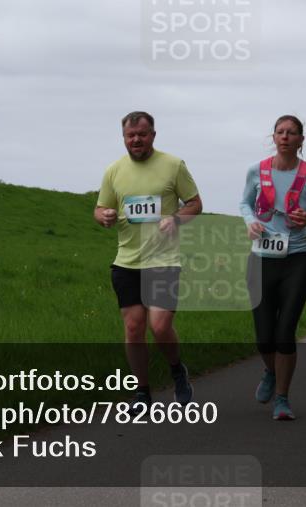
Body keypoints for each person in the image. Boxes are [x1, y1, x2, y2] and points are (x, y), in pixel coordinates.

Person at [95, 111, 202, 415]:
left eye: (142, 134)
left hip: (164, 259)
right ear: (124, 138)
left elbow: (195, 203)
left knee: (159, 326)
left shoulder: (173, 165)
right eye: (131, 135)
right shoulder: (114, 171)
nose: (137, 140)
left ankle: (177, 369)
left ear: (153, 135)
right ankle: (142, 391)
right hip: (127, 261)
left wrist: (176, 219)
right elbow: (101, 208)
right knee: (133, 328)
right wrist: (104, 216)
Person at [240, 115, 306, 421]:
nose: (285, 137)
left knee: (285, 331)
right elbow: (244, 204)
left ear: (301, 140)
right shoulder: (257, 170)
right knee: (264, 338)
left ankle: (282, 397)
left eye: (291, 133)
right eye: (280, 132)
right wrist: (250, 222)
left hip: (297, 258)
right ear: (273, 137)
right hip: (261, 258)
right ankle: (270, 370)